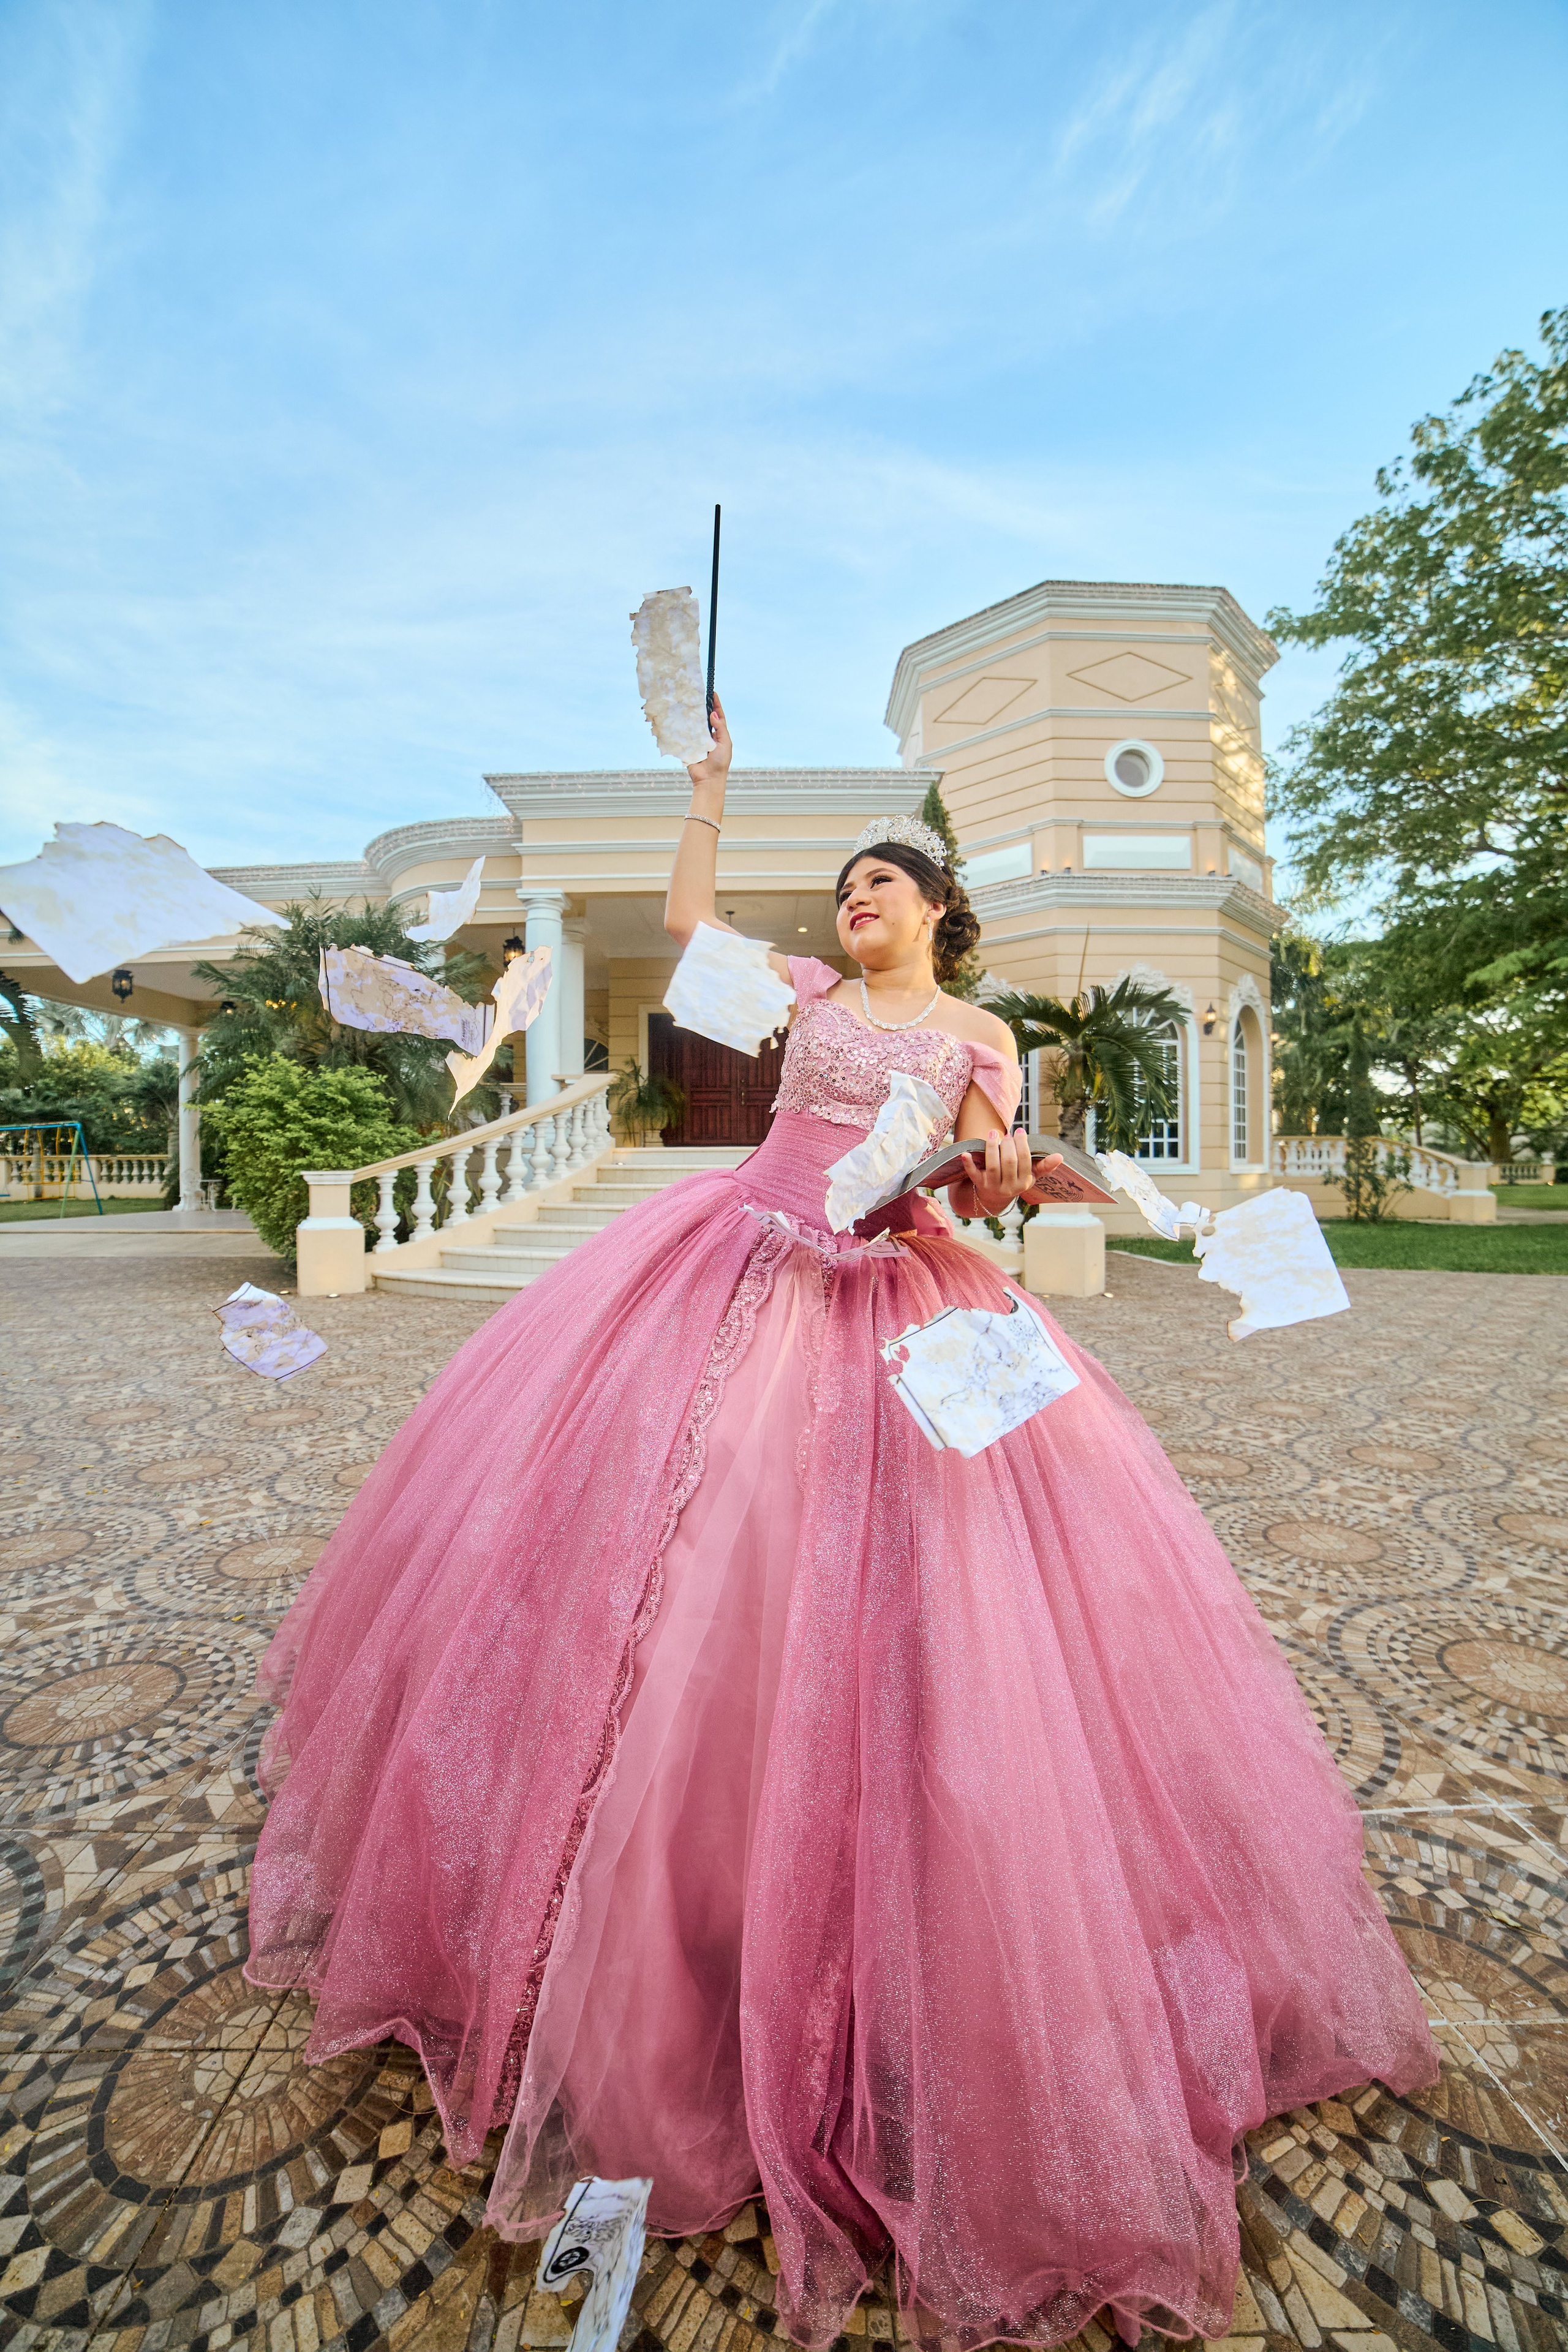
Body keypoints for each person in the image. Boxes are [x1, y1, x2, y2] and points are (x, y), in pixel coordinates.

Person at [246, 699, 1436, 2351]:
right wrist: (709, 793)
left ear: (943, 913)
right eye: (849, 885)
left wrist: (1021, 1181)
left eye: (885, 881)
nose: (858, 898)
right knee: (678, 1587)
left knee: (939, 1627)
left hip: (901, 1306)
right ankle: (646, 1918)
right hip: (729, 1272)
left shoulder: (982, 1038)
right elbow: (682, 926)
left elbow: (975, 1184)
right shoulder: (800, 994)